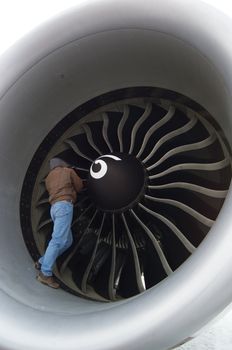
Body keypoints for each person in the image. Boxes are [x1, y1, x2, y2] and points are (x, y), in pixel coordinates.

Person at [35, 157, 83, 289]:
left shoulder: (49, 177)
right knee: (57, 241)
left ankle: (41, 262)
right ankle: (45, 274)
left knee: (67, 241)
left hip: (54, 208)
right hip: (64, 206)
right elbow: (79, 186)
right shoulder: (67, 171)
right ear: (62, 164)